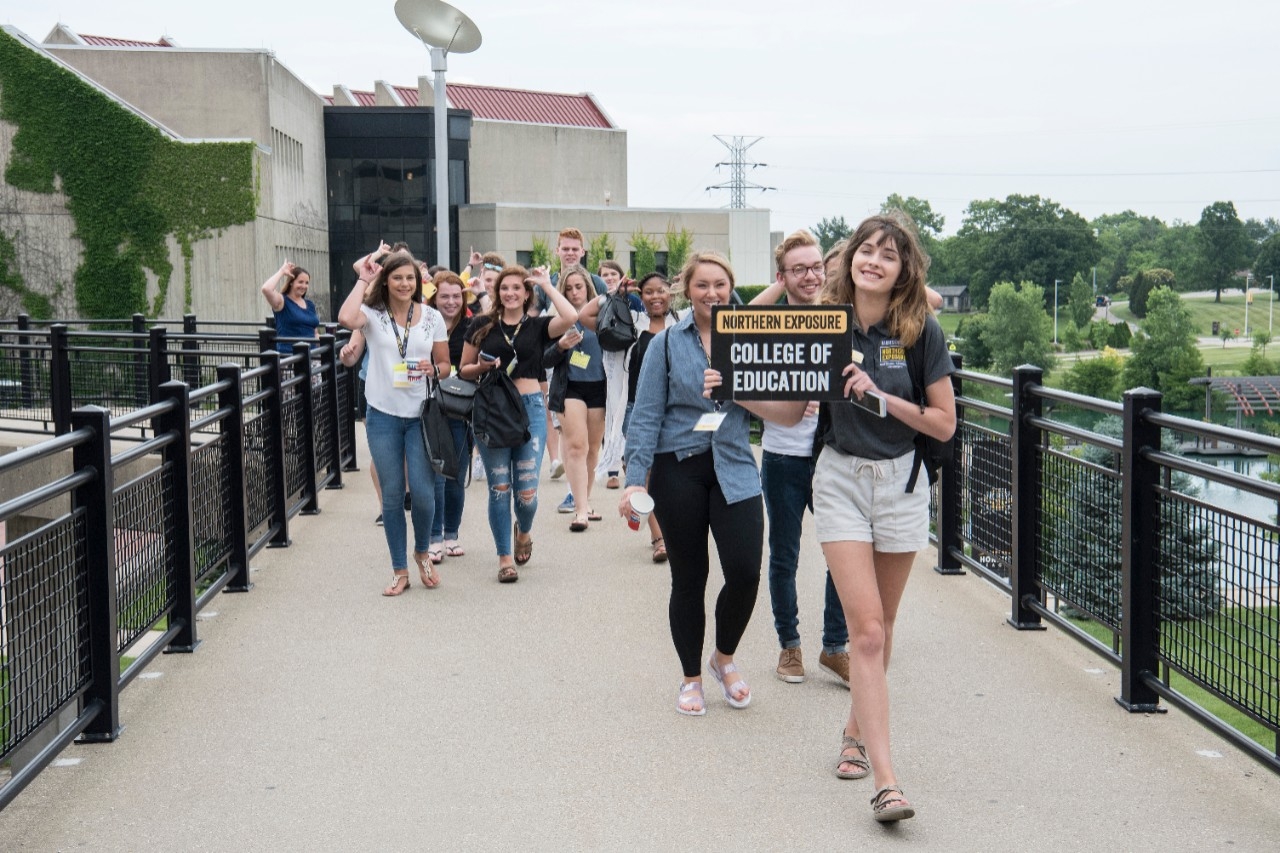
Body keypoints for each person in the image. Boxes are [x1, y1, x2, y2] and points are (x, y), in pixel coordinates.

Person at [815, 213, 956, 822]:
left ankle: (852, 734)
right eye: (865, 250)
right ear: (850, 260)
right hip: (840, 480)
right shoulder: (823, 326)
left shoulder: (920, 331)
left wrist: (879, 395)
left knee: (883, 626)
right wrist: (735, 389)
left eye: (889, 255)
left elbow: (943, 422)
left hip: (901, 483)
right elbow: (790, 412)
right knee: (866, 633)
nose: (874, 260)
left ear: (904, 269)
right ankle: (888, 781)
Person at [620, 253, 803, 717]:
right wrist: (633, 483)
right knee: (689, 578)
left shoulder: (749, 337)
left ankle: (723, 658)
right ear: (688, 289)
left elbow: (779, 405)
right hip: (677, 466)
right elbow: (644, 417)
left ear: (731, 287)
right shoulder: (665, 345)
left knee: (744, 573)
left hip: (736, 466)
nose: (712, 294)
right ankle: (691, 678)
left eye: (720, 285)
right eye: (702, 285)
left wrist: (740, 387)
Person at [749, 230, 850, 687]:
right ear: (782, 276)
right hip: (784, 455)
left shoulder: (840, 316)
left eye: (816, 267)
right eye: (798, 269)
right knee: (784, 555)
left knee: (843, 554)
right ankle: (789, 646)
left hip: (833, 454)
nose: (811, 276)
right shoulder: (768, 322)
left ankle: (835, 646)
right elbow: (739, 324)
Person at [337, 250, 452, 596]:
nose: (405, 284)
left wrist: (436, 370)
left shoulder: (432, 317)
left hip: (420, 416)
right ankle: (399, 570)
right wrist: (363, 277)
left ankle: (422, 552)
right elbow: (345, 317)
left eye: (410, 278)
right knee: (390, 496)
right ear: (385, 280)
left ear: (418, 283)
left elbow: (446, 364)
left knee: (422, 493)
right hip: (382, 416)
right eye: (397, 277)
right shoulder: (372, 315)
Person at [457, 265, 578, 583]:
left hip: (530, 410)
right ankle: (504, 557)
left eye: (516, 288)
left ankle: (523, 531)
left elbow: (570, 317)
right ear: (497, 294)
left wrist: (546, 286)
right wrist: (481, 366)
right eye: (504, 288)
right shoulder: (482, 325)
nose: (510, 293)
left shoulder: (538, 326)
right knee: (499, 489)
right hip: (492, 410)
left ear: (526, 294)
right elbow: (463, 369)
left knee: (526, 494)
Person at [581, 271, 677, 562]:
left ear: (671, 293)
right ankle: (658, 536)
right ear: (641, 295)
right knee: (642, 473)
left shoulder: (684, 322)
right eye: (648, 291)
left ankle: (673, 531)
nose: (656, 296)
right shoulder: (632, 322)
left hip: (677, 412)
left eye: (662, 290)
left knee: (670, 476)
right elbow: (585, 317)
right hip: (637, 408)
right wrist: (613, 294)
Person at [541, 227, 607, 505]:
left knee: (588, 444)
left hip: (597, 375)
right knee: (571, 439)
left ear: (582, 252)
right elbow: (539, 329)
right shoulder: (546, 284)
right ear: (557, 251)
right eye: (564, 248)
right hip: (563, 374)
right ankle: (576, 495)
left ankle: (580, 493)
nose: (569, 253)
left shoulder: (597, 284)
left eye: (574, 249)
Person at [426, 271, 475, 561]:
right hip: (430, 405)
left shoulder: (472, 326)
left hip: (461, 406)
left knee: (456, 474)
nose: (451, 301)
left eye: (457, 296)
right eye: (444, 295)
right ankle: (434, 536)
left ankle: (451, 533)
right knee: (436, 474)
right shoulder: (423, 323)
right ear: (434, 297)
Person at [594, 259, 640, 490]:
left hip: (630, 360)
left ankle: (624, 459)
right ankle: (612, 467)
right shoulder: (601, 300)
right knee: (611, 410)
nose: (609, 277)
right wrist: (610, 295)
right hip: (607, 362)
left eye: (613, 273)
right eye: (604, 274)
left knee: (627, 410)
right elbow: (585, 317)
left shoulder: (633, 299)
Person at [261, 261, 319, 354]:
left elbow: (315, 332)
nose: (304, 286)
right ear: (291, 282)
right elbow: (266, 289)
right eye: (300, 282)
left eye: (306, 283)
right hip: (290, 358)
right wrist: (282, 272)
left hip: (311, 357)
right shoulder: (282, 301)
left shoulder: (310, 305)